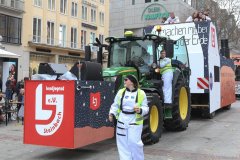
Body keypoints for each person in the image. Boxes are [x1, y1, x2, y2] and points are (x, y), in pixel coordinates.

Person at [109, 74, 149, 160]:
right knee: (123, 144)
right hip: (122, 120)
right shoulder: (121, 92)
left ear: (132, 82)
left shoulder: (141, 93)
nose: (124, 81)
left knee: (134, 143)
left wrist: (140, 110)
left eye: (126, 80)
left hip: (135, 121)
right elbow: (115, 105)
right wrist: (111, 113)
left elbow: (146, 107)